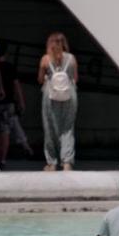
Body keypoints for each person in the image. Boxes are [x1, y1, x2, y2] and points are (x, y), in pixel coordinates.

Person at [37, 31, 79, 172]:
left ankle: (52, 163)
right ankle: (67, 162)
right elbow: (75, 78)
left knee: (50, 128)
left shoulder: (45, 59)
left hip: (50, 94)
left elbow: (40, 79)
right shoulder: (72, 58)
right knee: (67, 128)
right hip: (69, 94)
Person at [0, 52, 31, 166]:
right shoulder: (10, 67)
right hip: (8, 102)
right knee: (5, 132)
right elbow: (16, 85)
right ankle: (2, 158)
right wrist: (21, 101)